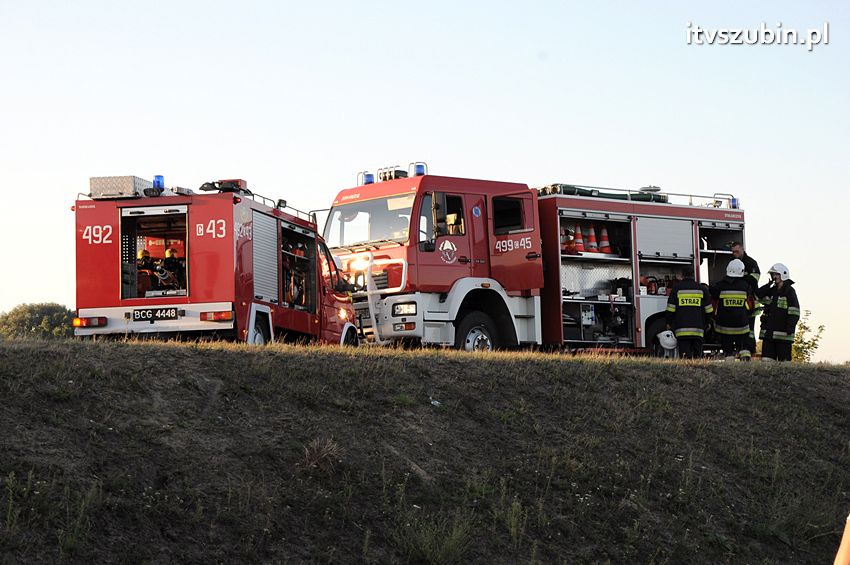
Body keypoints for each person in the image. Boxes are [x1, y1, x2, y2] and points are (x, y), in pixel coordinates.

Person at [710, 258, 753, 360]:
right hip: (742, 325)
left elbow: (713, 295)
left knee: (728, 351)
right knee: (744, 348)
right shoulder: (746, 286)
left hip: (725, 327)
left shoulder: (720, 285)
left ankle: (729, 366)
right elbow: (749, 304)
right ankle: (747, 366)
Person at [755, 263, 800, 362]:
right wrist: (767, 285)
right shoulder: (771, 291)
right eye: (773, 275)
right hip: (769, 335)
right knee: (766, 362)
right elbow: (757, 296)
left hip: (783, 335)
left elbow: (795, 311)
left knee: (784, 365)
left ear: (783, 275)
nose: (774, 277)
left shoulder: (789, 291)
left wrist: (790, 327)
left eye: (776, 274)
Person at [665, 270, 713, 359]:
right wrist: (708, 322)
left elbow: (671, 309)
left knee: (684, 356)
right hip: (698, 330)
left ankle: (687, 371)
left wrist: (668, 322)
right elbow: (709, 310)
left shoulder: (676, 289)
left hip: (682, 330)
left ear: (682, 276)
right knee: (697, 356)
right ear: (693, 275)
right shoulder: (702, 289)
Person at [731, 242, 760, 354]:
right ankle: (741, 349)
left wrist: (741, 280)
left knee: (749, 329)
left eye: (737, 251)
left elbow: (754, 279)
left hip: (750, 300)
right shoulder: (732, 262)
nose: (735, 254)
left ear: (742, 249)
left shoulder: (751, 263)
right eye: (733, 252)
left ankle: (750, 349)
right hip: (739, 301)